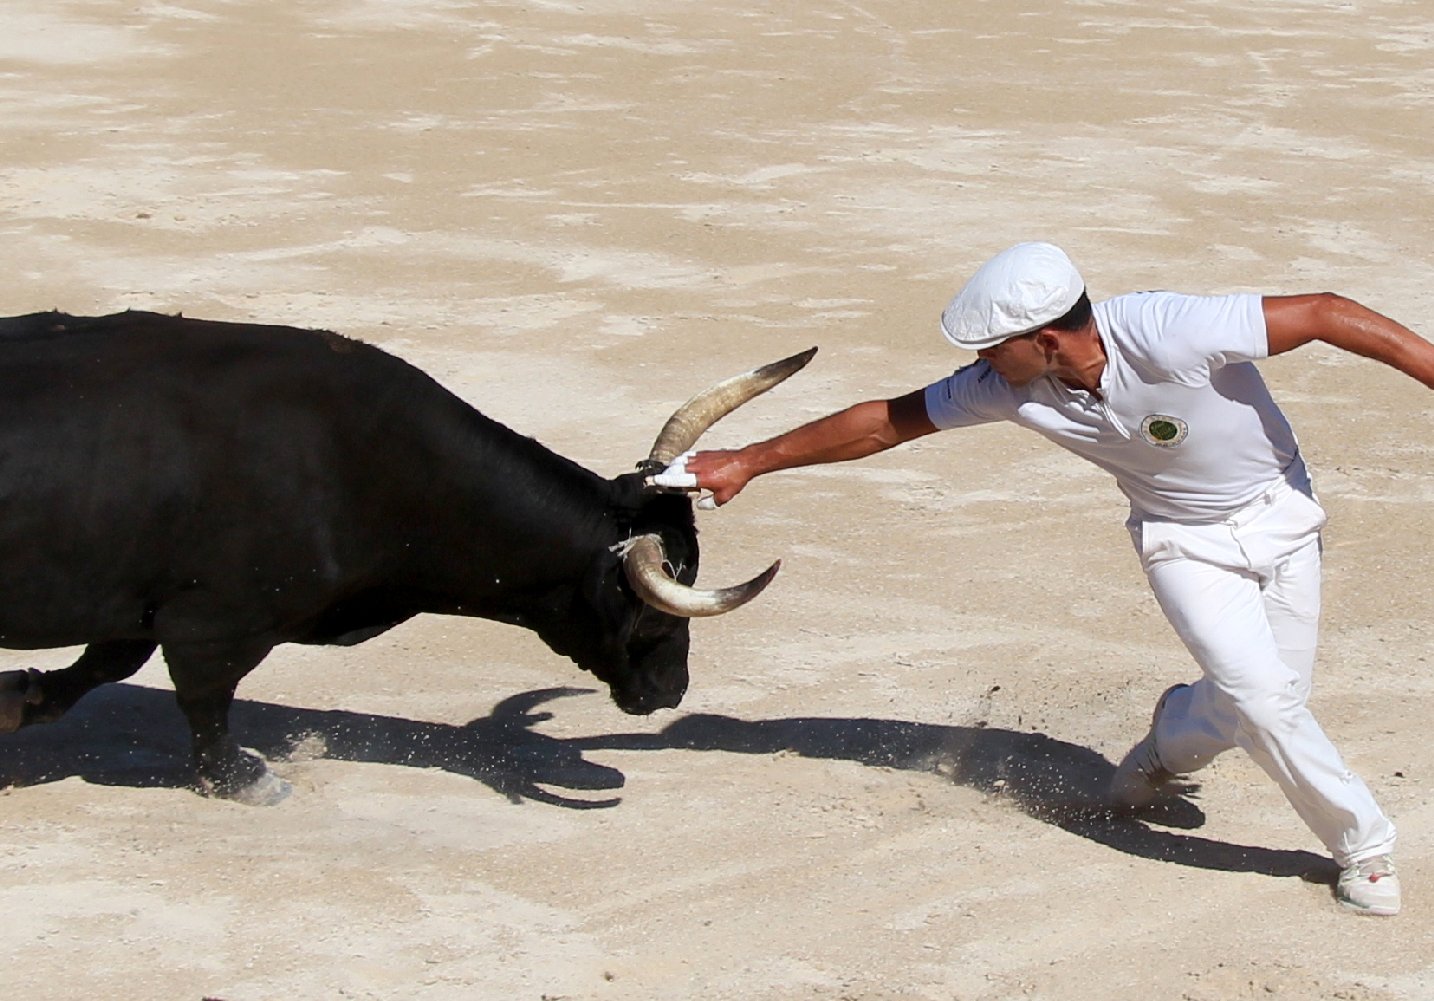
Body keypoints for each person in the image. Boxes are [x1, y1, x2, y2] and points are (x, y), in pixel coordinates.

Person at [653, 241, 1434, 916]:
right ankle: (1364, 846)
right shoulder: (1005, 387)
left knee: (1265, 703)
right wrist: (748, 461)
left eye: (994, 347)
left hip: (1283, 514)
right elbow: (881, 421)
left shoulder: (1170, 330)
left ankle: (1169, 740)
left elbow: (1328, 311)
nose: (980, 364)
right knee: (1266, 702)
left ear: (1047, 337)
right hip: (1181, 543)